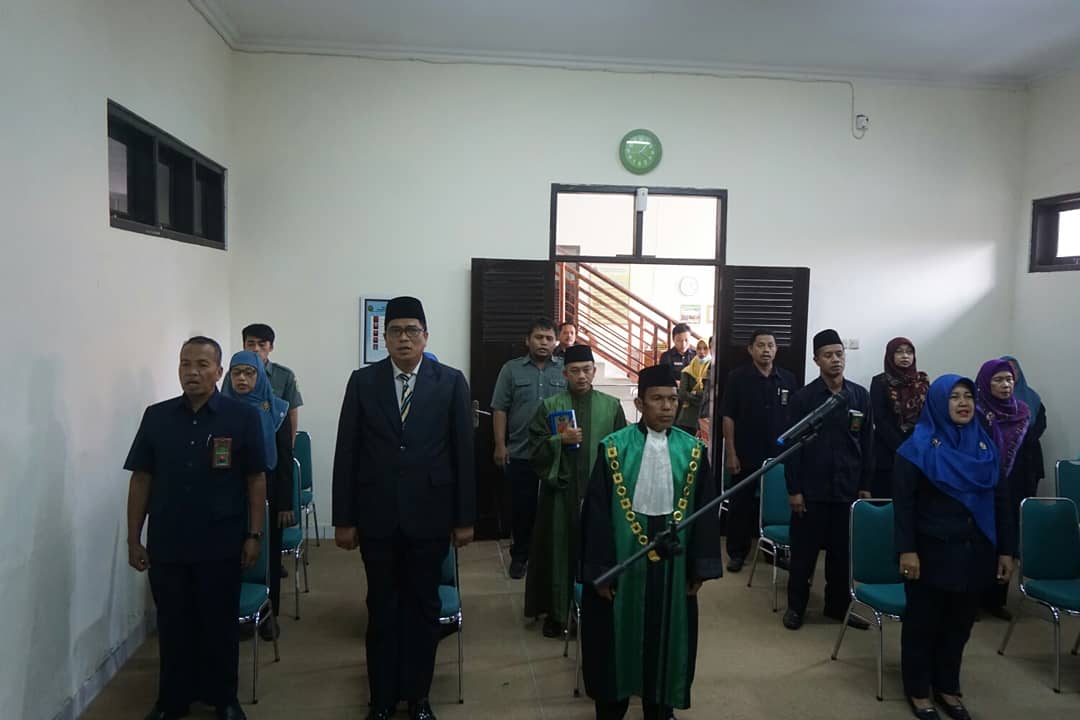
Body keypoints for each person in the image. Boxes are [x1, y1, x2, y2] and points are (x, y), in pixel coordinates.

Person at [331, 296, 475, 720]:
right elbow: (347, 451)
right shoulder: (363, 382)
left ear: (426, 336)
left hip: (430, 517)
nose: (404, 338)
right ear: (384, 338)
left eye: (413, 330)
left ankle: (418, 697)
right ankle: (381, 699)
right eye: (395, 331)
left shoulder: (450, 382)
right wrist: (344, 519)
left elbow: (463, 454)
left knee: (423, 610)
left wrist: (465, 518)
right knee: (382, 608)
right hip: (377, 518)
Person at [125, 337, 266, 720]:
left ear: (218, 372)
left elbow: (255, 479)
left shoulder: (242, 418)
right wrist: (133, 538)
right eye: (185, 363)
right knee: (173, 625)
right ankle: (172, 700)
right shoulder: (157, 417)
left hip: (221, 541)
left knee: (219, 625)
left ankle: (224, 699)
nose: (192, 372)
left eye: (202, 364)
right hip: (168, 542)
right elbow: (141, 478)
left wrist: (254, 534)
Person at [581, 365, 723, 720]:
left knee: (667, 640)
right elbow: (597, 515)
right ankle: (612, 708)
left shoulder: (693, 451)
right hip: (623, 563)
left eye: (672, 399)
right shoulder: (614, 449)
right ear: (640, 403)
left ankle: (660, 707)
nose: (667, 407)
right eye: (657, 399)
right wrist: (601, 571)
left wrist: (699, 568)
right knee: (616, 642)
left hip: (674, 566)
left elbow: (704, 514)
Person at [894, 374, 1016, 720]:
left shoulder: (986, 448)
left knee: (959, 626)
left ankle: (947, 686)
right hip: (930, 553)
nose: (964, 403)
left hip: (975, 552)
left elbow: (1002, 503)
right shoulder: (915, 450)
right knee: (923, 624)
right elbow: (904, 506)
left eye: (968, 396)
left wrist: (1007, 550)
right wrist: (907, 550)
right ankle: (919, 689)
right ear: (937, 403)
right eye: (954, 397)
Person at [525, 345, 627, 637]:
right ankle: (557, 613)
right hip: (560, 493)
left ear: (594, 372)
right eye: (575, 371)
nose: (581, 376)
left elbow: (623, 448)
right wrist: (559, 440)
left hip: (599, 494)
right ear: (564, 373)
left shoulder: (611, 406)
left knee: (596, 549)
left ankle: (595, 608)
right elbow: (534, 449)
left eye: (586, 370)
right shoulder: (549, 406)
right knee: (558, 550)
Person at [782, 329, 874, 631]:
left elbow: (867, 444)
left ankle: (838, 607)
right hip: (812, 490)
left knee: (841, 555)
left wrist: (865, 484)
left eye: (839, 354)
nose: (835, 360)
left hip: (847, 489)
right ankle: (796, 607)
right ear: (816, 360)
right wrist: (794, 490)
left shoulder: (859, 396)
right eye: (828, 355)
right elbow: (792, 450)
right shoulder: (804, 398)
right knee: (804, 555)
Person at [222, 350, 294, 640]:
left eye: (249, 373)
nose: (242, 378)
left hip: (270, 494)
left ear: (260, 376)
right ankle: (235, 615)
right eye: (236, 373)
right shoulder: (220, 410)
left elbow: (285, 458)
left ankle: (268, 614)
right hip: (229, 495)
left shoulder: (277, 410)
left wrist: (285, 503)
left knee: (268, 556)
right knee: (230, 554)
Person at [720, 329, 800, 573]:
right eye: (761, 345)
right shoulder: (737, 377)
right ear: (750, 349)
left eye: (771, 345)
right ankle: (737, 553)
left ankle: (774, 551)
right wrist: (731, 453)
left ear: (776, 349)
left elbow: (796, 417)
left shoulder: (787, 378)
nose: (766, 350)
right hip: (746, 451)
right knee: (741, 504)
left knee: (776, 504)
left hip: (779, 454)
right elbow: (728, 417)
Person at [491, 317, 566, 579]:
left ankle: (548, 557)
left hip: (556, 453)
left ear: (556, 342)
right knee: (522, 508)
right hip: (521, 452)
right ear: (528, 340)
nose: (544, 342)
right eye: (538, 337)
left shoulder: (565, 369)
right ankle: (520, 556)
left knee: (553, 509)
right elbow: (500, 408)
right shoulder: (511, 370)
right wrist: (500, 445)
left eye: (549, 338)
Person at [974, 358, 1031, 621]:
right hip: (983, 484)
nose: (1005, 385)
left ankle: (996, 600)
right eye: (998, 380)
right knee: (980, 542)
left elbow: (1027, 452)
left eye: (1008, 379)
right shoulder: (976, 412)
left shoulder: (1022, 412)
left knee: (1005, 540)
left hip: (1013, 483)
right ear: (986, 383)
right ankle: (973, 599)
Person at [222, 323, 303, 446]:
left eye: (262, 344)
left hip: (274, 439)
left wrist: (289, 446)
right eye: (251, 344)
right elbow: (224, 407)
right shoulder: (233, 375)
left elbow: (291, 413)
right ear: (244, 346)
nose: (256, 349)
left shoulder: (285, 375)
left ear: (271, 347)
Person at [870, 337, 930, 498]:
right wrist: (902, 447)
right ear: (890, 355)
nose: (905, 356)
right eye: (899, 352)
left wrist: (916, 444)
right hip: (888, 452)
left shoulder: (922, 381)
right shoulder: (880, 382)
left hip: (918, 450)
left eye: (909, 352)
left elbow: (927, 415)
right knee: (888, 499)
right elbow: (879, 418)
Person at [1001, 355, 1047, 500]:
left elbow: (1041, 423)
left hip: (1030, 456)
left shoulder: (1032, 397)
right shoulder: (996, 399)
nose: (1012, 372)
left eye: (1014, 368)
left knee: (1029, 501)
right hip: (1005, 459)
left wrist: (1024, 438)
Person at [675, 339, 711, 435]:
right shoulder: (687, 370)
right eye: (699, 348)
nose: (702, 352)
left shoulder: (712, 369)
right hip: (687, 419)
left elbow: (709, 395)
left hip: (704, 419)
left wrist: (695, 393)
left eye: (705, 348)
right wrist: (701, 399)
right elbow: (682, 394)